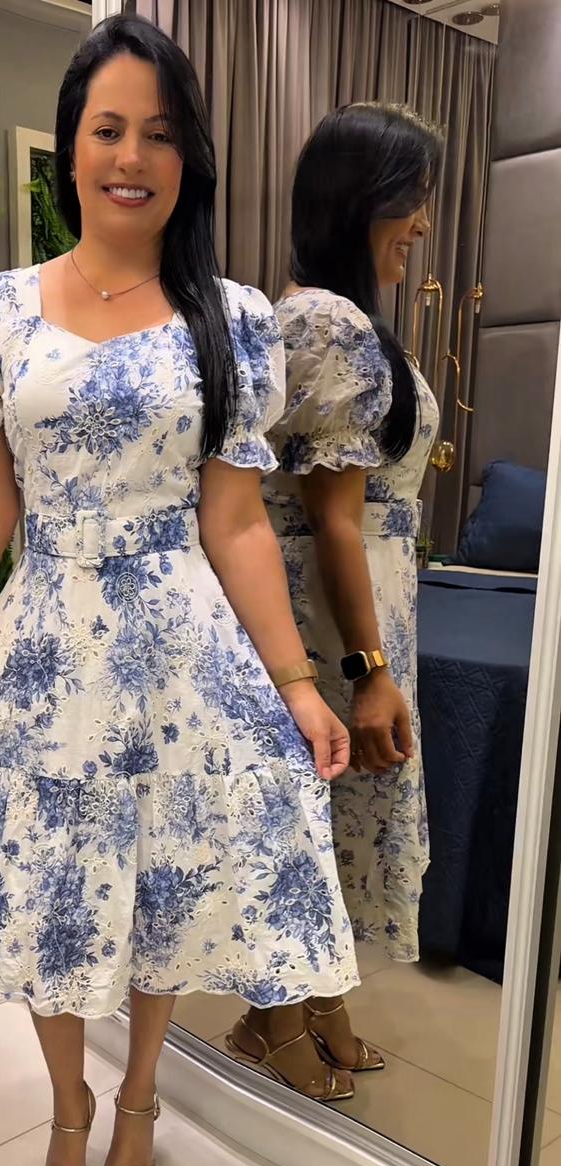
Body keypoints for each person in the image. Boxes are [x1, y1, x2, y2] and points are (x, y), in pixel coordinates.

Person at [0, 15, 359, 1166]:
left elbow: (234, 521)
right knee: (47, 884)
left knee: (159, 879)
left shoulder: (229, 318)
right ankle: (67, 1106)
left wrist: (298, 683)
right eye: (109, 129)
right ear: (71, 148)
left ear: (189, 158)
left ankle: (138, 1097)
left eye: (161, 134)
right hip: (44, 642)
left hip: (177, 646)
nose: (133, 156)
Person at [228, 103, 443, 1096]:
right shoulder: (328, 322)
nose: (424, 223)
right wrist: (368, 670)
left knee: (312, 812)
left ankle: (314, 1004)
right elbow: (334, 519)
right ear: (362, 200)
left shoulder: (322, 318)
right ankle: (274, 1018)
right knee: (306, 816)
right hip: (328, 617)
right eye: (413, 198)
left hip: (337, 605)